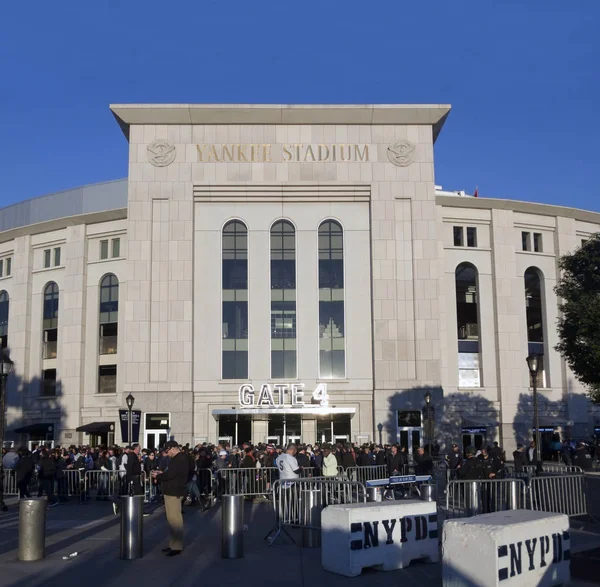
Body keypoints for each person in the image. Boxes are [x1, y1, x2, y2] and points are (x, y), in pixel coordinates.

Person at [152, 441, 189, 556]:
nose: (167, 454)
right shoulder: (177, 459)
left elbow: (171, 474)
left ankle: (177, 546)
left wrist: (158, 476)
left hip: (174, 491)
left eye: (168, 451)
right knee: (171, 519)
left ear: (173, 448)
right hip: (171, 490)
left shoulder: (180, 459)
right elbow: (171, 473)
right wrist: (162, 473)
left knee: (175, 520)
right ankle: (173, 544)